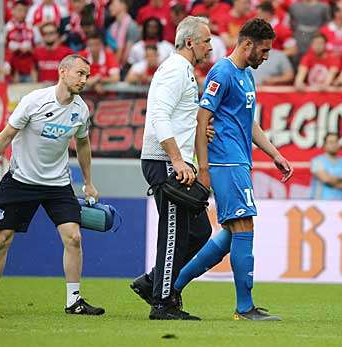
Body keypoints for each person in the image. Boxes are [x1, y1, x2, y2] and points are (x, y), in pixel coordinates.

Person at [0, 54, 105, 315]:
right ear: (63, 72)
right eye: (80, 73)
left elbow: (83, 144)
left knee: (74, 237)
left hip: (58, 184)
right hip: (21, 180)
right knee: (1, 240)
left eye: (87, 75)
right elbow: (6, 136)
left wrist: (88, 182)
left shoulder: (81, 109)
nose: (84, 79)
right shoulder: (34, 101)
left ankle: (74, 301)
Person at [177, 18, 293, 321]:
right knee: (244, 227)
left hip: (240, 159)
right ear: (247, 45)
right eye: (264, 50)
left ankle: (168, 287)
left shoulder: (245, 75)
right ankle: (244, 307)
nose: (266, 56)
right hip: (225, 161)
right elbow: (203, 118)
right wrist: (203, 167)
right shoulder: (223, 72)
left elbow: (249, 122)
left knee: (231, 233)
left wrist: (275, 154)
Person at [130, 16, 214, 321]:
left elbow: (175, 117)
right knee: (174, 233)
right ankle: (162, 303)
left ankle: (153, 282)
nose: (210, 46)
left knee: (200, 230)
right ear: (190, 42)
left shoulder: (184, 71)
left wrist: (197, 130)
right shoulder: (175, 70)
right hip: (165, 161)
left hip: (173, 159)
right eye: (206, 40)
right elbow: (160, 117)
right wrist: (177, 159)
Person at [310, 133, 342, 200]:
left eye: (336, 142)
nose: (334, 145)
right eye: (331, 142)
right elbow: (326, 179)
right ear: (324, 145)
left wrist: (333, 182)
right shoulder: (317, 161)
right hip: (321, 205)